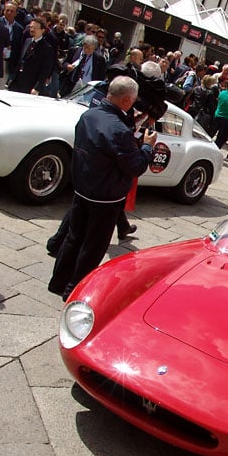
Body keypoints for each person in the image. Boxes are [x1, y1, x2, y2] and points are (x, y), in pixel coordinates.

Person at [47, 76, 156, 300]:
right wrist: (147, 146)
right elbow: (135, 166)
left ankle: (58, 281)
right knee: (93, 246)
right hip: (105, 196)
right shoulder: (117, 129)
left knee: (73, 238)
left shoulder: (90, 115)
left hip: (82, 187)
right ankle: (73, 288)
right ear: (126, 100)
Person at [7, 17, 56, 94]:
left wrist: (37, 87)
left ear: (42, 30)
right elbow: (21, 60)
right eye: (31, 27)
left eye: (35, 28)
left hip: (30, 85)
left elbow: (45, 71)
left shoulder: (47, 48)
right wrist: (12, 78)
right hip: (16, 82)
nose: (32, 30)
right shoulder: (27, 41)